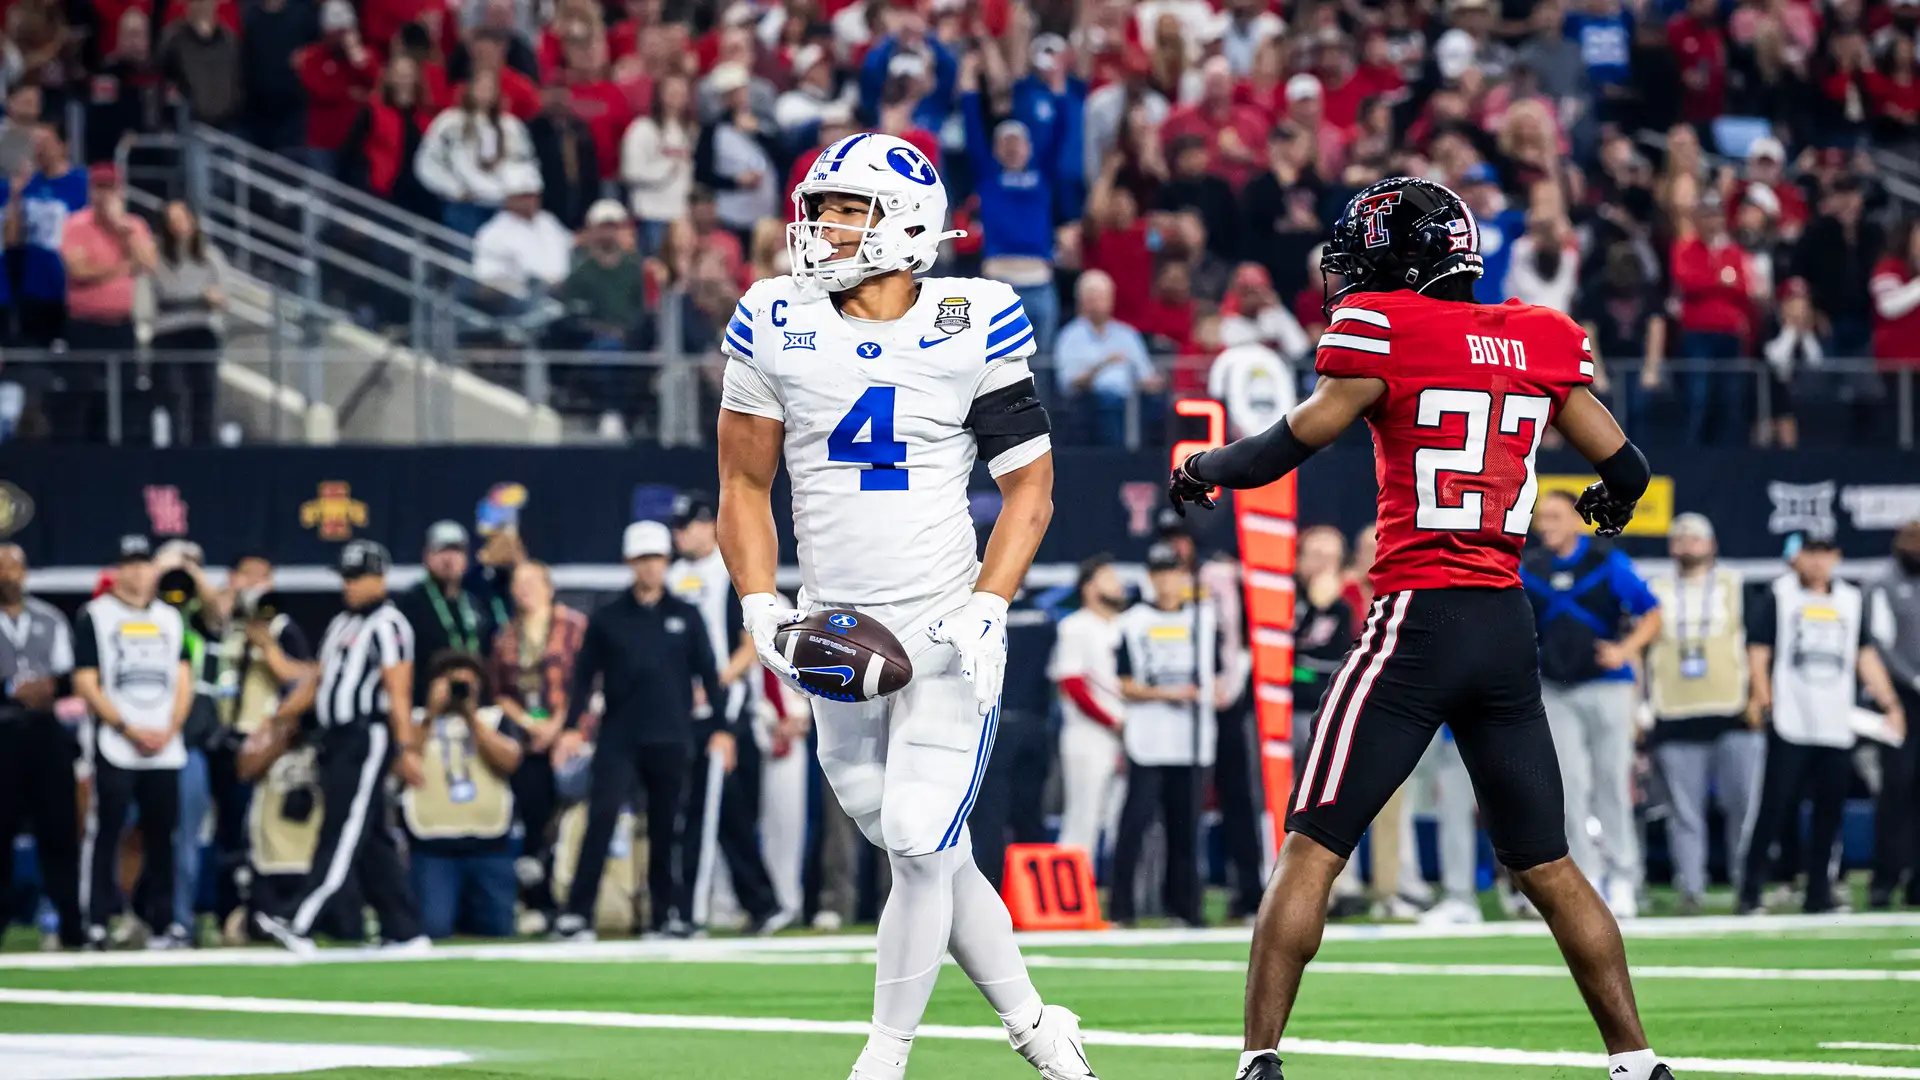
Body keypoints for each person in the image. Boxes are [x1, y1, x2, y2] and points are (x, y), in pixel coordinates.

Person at [1168, 176, 1674, 1080]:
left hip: (1415, 618)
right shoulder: (1539, 334)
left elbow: (1291, 439)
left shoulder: (1384, 330)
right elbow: (1627, 466)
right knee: (1548, 863)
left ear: (1403, 258)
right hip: (1503, 621)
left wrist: (1204, 464)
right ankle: (1637, 1060)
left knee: (1313, 845)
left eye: (1365, 253)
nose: (1352, 273)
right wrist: (1607, 498)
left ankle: (1259, 1060)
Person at [716, 131, 1096, 1080]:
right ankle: (1040, 1030)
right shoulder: (771, 318)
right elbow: (739, 486)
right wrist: (762, 604)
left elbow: (1030, 490)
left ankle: (883, 1057)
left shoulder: (975, 317)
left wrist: (988, 604)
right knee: (918, 842)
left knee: (922, 841)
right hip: (834, 635)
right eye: (821, 208)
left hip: (940, 627)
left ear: (909, 223)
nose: (822, 226)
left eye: (847, 209)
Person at [549, 521, 737, 941]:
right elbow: (583, 678)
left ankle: (665, 916)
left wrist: (722, 729)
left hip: (672, 737)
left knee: (667, 829)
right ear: (629, 562)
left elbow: (710, 676)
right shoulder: (608, 620)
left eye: (656, 559)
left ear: (666, 562)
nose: (650, 567)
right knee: (600, 820)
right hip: (619, 738)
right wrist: (570, 729)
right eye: (642, 559)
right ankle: (578, 914)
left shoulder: (686, 617)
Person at [255, 540, 427, 955]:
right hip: (336, 739)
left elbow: (398, 691)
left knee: (342, 830)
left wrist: (406, 748)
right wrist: (278, 716)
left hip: (367, 736)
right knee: (369, 838)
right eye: (346, 577)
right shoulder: (340, 625)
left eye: (356, 577)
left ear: (379, 578)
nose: (348, 586)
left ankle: (300, 919)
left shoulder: (391, 625)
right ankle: (403, 928)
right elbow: (318, 681)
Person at [1741, 534, 1907, 914]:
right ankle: (1750, 891)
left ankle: (1819, 892)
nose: (1817, 563)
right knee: (1774, 809)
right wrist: (1762, 697)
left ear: (1836, 557)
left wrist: (1890, 703)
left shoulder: (1849, 599)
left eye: (1824, 554)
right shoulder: (1780, 595)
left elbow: (1863, 654)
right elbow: (1758, 651)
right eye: (1810, 554)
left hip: (1834, 722)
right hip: (1791, 718)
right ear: (1800, 558)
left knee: (1829, 813)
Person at [1522, 489, 1663, 916]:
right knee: (1570, 787)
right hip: (1556, 689)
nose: (1546, 524)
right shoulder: (1530, 568)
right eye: (1541, 517)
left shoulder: (1606, 561)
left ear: (1576, 519)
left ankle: (1623, 876)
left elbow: (1652, 612)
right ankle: (1586, 878)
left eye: (1555, 516)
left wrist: (1626, 650)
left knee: (1611, 784)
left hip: (1607, 686)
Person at [665, 491, 786, 933]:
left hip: (728, 703)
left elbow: (751, 639)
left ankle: (699, 910)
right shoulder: (674, 576)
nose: (681, 534)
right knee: (719, 811)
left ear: (708, 524)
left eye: (688, 525)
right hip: (686, 708)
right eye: (677, 527)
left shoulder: (729, 568)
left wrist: (717, 686)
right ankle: (761, 903)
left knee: (719, 809)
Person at [72, 535, 195, 949]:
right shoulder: (96, 615)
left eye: (145, 564)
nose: (139, 572)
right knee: (105, 833)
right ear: (117, 570)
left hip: (164, 743)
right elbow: (85, 681)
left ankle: (164, 922)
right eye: (131, 564)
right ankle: (97, 921)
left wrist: (171, 727)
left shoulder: (171, 617)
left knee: (163, 835)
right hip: (117, 742)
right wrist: (126, 728)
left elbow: (183, 677)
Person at [1644, 513, 1762, 915]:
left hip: (1731, 709)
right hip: (1675, 712)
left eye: (1695, 538)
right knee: (1683, 813)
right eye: (1679, 538)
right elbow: (1643, 649)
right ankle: (1690, 889)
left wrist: (1757, 698)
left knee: (1743, 805)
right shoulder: (1655, 589)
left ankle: (1749, 886)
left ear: (1711, 544)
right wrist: (1642, 708)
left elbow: (1755, 644)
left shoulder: (1735, 584)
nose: (1687, 544)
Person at [1110, 541, 1217, 927]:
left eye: (1174, 573)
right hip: (1148, 738)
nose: (1168, 582)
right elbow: (1124, 683)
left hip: (1191, 740)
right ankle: (1122, 909)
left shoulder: (1204, 619)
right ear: (1151, 578)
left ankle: (1186, 907)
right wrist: (1168, 693)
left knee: (1186, 827)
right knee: (1134, 824)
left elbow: (1216, 677)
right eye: (1161, 574)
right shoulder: (1132, 621)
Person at [488, 559, 586, 932]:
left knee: (568, 821)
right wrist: (530, 724)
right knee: (532, 818)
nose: (525, 587)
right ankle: (538, 902)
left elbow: (586, 680)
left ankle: (572, 901)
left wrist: (563, 726)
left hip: (571, 738)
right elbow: (499, 692)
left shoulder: (574, 626)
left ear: (549, 586)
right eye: (519, 581)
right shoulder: (506, 636)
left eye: (532, 580)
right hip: (528, 741)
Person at [400, 650, 526, 938]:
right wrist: (431, 715)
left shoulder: (493, 719)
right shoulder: (416, 721)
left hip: (489, 844)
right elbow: (404, 767)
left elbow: (510, 760)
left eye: (466, 684)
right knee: (433, 928)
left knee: (498, 930)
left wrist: (471, 717)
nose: (458, 691)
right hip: (433, 846)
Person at [0, 543, 83, 948]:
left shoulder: (49, 619)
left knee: (59, 831)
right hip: (3, 734)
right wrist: (12, 689)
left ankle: (69, 923)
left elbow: (68, 675)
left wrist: (48, 688)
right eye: (2, 569)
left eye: (14, 568)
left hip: (45, 734)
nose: (8, 576)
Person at [1049, 554, 1128, 860]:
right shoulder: (1075, 626)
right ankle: (1069, 899)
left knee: (1119, 818)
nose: (1118, 585)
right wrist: (1112, 722)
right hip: (1089, 735)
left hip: (1126, 735)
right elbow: (1072, 686)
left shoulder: (1126, 624)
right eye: (1109, 578)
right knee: (1083, 819)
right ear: (1089, 587)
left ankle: (1107, 894)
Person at [415, 70, 536, 236]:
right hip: (463, 206)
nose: (484, 91)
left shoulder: (509, 126)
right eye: (480, 86)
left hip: (500, 207)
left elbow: (522, 163)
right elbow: (428, 162)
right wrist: (454, 189)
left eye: (490, 87)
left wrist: (517, 194)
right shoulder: (449, 122)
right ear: (470, 88)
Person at [1868, 521, 1920, 908]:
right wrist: (1914, 678)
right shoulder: (1882, 582)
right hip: (1900, 698)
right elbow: (1881, 643)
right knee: (1897, 788)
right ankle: (1884, 879)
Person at [149, 201, 229, 446]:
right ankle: (178, 450)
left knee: (204, 393)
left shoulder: (211, 256)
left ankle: (205, 451)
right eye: (172, 222)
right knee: (175, 394)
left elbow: (224, 296)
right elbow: (150, 298)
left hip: (201, 330)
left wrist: (214, 299)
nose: (179, 227)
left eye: (182, 220)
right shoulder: (156, 257)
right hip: (168, 332)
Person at [1054, 269, 1160, 446]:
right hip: (1091, 401)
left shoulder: (1127, 334)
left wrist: (1154, 382)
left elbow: (1146, 375)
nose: (1099, 302)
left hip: (1132, 400)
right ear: (1082, 301)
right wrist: (1102, 365)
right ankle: (1116, 462)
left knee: (1158, 406)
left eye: (1104, 296)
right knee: (1109, 406)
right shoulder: (1070, 337)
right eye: (1093, 296)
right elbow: (1069, 383)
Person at [396, 520, 497, 701]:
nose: (448, 559)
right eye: (441, 551)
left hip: (476, 705)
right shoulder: (410, 603)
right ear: (426, 556)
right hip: (425, 704)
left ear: (466, 559)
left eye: (456, 551)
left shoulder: (477, 602)